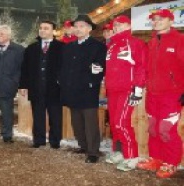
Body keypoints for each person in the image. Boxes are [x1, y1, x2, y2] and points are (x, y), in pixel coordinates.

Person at [136, 9, 184, 178]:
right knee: (153, 128)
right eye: (154, 19)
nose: (156, 22)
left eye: (161, 19)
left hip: (172, 94)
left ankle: (171, 163)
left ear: (171, 21)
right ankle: (156, 159)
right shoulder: (153, 42)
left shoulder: (179, 40)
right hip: (153, 93)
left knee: (166, 129)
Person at [60, 15, 107, 163]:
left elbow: (99, 69)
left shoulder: (98, 46)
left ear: (89, 29)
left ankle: (93, 152)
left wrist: (91, 83)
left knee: (90, 122)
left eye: (82, 26)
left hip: (88, 90)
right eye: (76, 26)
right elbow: (64, 69)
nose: (78, 29)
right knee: (77, 121)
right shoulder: (69, 47)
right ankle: (83, 145)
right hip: (72, 89)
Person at [105, 15, 147, 171]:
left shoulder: (136, 43)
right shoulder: (111, 46)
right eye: (114, 25)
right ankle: (119, 152)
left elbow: (141, 67)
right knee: (114, 124)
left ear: (128, 26)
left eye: (120, 24)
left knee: (121, 123)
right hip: (112, 90)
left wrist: (137, 89)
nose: (116, 27)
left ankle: (132, 156)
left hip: (126, 90)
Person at [19, 20, 64, 149]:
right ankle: (38, 140)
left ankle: (55, 141)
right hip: (36, 87)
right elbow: (25, 68)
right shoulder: (31, 48)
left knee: (55, 116)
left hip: (55, 88)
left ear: (53, 31)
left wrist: (62, 82)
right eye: (41, 28)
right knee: (37, 115)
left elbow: (65, 68)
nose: (42, 30)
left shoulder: (61, 47)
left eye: (46, 28)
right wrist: (23, 85)